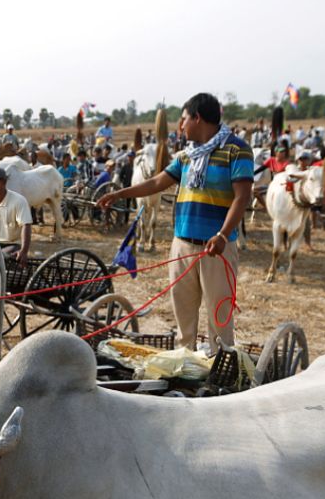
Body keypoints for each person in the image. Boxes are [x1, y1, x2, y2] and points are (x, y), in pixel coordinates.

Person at [99, 92, 252, 353]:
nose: (180, 126)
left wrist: (223, 235)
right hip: (182, 245)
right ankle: (186, 367)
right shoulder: (186, 156)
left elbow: (243, 197)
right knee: (184, 318)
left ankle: (221, 374)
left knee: (219, 317)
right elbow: (158, 182)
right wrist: (120, 193)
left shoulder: (236, 150)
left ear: (197, 118)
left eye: (183, 120)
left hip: (217, 249)